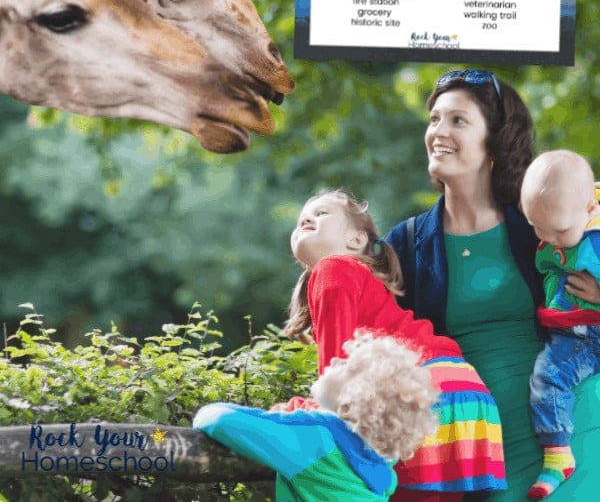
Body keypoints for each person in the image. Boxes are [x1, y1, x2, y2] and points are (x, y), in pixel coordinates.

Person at [386, 69, 600, 501]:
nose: (438, 132)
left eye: (458, 121)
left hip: (576, 426)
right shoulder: (405, 244)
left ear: (496, 142)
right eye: (434, 119)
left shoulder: (545, 222)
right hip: (481, 446)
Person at [285, 188, 507, 501]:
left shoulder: (333, 268)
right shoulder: (358, 278)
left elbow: (336, 381)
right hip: (464, 392)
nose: (306, 218)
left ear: (357, 240)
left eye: (321, 214)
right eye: (302, 218)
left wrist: (298, 410)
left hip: (423, 393)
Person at [193, 332, 439, 501]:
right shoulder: (380, 459)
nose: (333, 360)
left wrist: (205, 410)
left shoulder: (316, 439)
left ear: (354, 399)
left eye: (345, 366)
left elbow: (218, 420)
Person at [520, 150, 600, 499]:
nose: (549, 238)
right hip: (577, 337)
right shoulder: (561, 224)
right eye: (538, 227)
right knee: (547, 376)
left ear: (589, 210)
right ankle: (557, 454)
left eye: (560, 230)